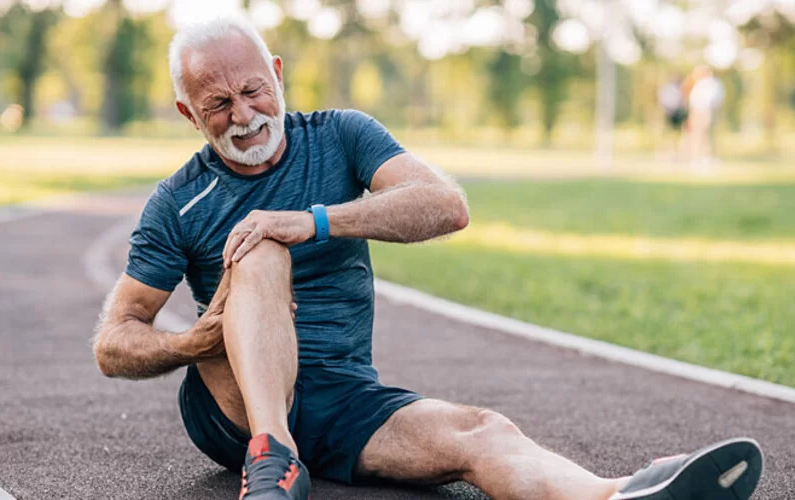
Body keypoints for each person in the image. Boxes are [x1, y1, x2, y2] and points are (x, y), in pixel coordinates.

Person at [92, 16, 763, 500]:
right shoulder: (178, 201)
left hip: (343, 397)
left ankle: (616, 496)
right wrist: (202, 338)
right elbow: (114, 343)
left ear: (277, 73)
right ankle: (272, 458)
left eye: (253, 90)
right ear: (188, 113)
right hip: (233, 401)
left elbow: (445, 204)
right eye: (218, 104)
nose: (244, 115)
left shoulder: (342, 135)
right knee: (260, 243)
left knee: (480, 430)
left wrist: (317, 221)